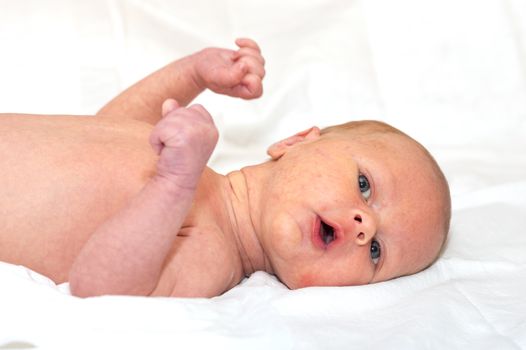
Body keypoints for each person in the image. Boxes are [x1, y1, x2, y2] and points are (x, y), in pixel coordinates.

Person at [0, 39, 451, 298]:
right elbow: (111, 128)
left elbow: (98, 289)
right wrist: (192, 73)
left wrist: (174, 183)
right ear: (294, 142)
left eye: (375, 253)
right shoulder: (202, 176)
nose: (363, 226)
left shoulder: (214, 254)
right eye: (364, 185)